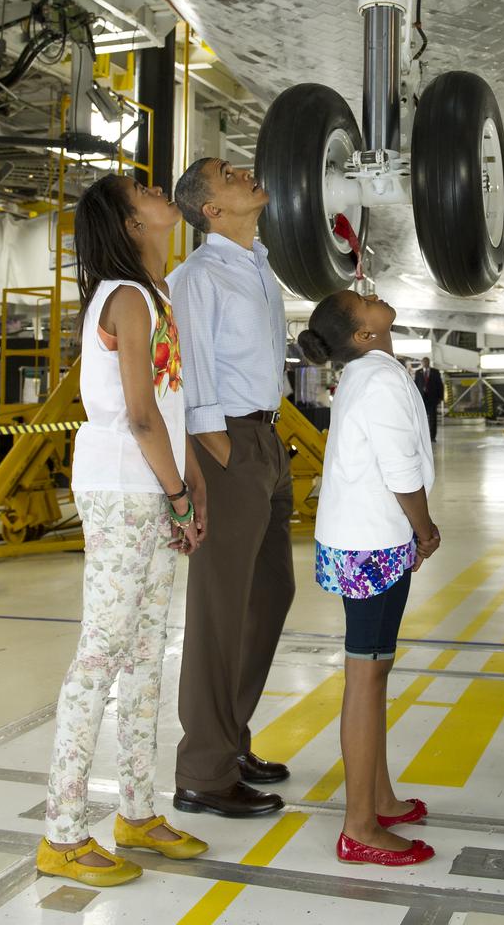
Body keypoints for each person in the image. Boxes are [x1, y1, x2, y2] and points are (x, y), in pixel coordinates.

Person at [36, 174, 208, 888]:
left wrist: (190, 481)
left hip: (154, 484)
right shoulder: (127, 298)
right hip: (124, 486)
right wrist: (177, 491)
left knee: (143, 657)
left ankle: (136, 810)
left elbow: (168, 407)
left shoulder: (154, 295)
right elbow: (138, 416)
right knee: (101, 657)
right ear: (130, 222)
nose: (157, 191)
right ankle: (61, 832)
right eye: (142, 192)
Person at [168, 158, 295, 818]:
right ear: (209, 210)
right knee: (220, 611)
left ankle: (228, 737)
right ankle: (203, 771)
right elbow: (189, 366)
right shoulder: (196, 276)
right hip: (229, 445)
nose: (244, 169)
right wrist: (215, 449)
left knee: (270, 593)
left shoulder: (256, 267)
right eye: (225, 173)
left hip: (264, 441)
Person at [299, 290, 440, 867]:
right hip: (375, 544)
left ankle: (377, 796)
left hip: (358, 539)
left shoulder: (366, 370)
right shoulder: (379, 380)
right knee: (367, 676)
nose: (378, 296)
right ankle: (359, 826)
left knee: (374, 669)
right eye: (365, 300)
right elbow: (401, 468)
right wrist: (425, 529)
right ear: (362, 333)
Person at [414, 356, 444, 442]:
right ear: (422, 363)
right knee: (421, 418)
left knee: (433, 418)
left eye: (427, 362)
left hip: (432, 399)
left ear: (429, 362)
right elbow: (416, 385)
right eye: (424, 362)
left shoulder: (435, 372)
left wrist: (440, 397)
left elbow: (440, 385)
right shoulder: (418, 373)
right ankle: (422, 436)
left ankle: (432, 437)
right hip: (422, 399)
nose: (425, 363)